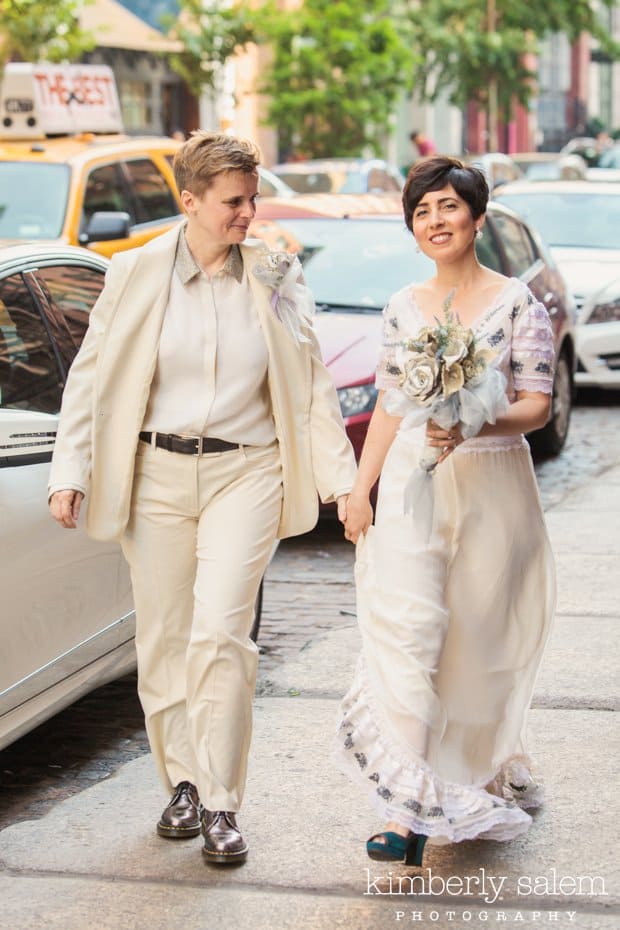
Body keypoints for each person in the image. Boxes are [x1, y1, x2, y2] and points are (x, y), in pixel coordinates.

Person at [48, 130, 356, 867]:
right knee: (163, 635)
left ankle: (221, 799)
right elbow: (91, 374)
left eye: (252, 199)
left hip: (246, 473)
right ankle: (180, 782)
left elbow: (310, 378)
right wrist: (72, 468)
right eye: (232, 203)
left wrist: (343, 484)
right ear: (188, 202)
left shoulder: (276, 273)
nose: (248, 215)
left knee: (220, 632)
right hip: (155, 474)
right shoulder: (135, 273)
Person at [336, 155, 556, 866]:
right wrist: (360, 488)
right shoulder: (403, 305)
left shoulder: (517, 302)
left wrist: (475, 425)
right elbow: (390, 406)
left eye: (449, 207)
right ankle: (405, 806)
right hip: (412, 491)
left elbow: (535, 405)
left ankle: (467, 773)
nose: (436, 221)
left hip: (493, 491)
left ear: (477, 217)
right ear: (412, 225)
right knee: (409, 635)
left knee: (473, 647)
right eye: (422, 210)